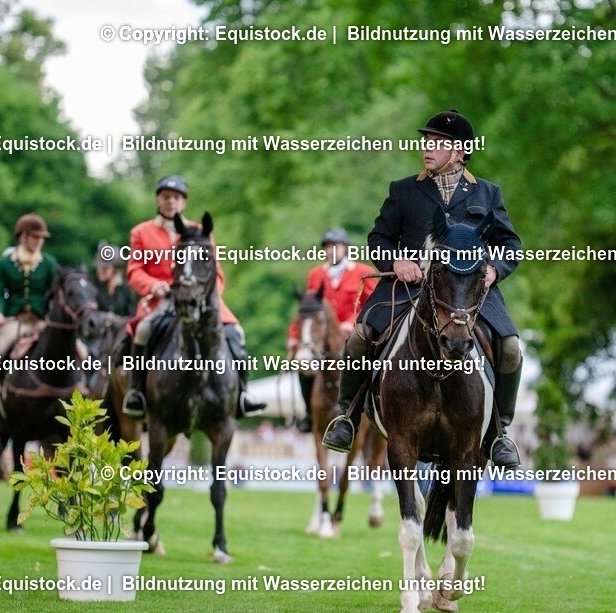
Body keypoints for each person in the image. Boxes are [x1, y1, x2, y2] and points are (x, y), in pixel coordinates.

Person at [321, 109, 524, 469]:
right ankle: (347, 417)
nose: (427, 149)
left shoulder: (488, 194)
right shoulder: (403, 190)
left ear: (461, 151)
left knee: (509, 347)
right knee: (361, 335)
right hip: (408, 289)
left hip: (468, 293)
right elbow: (378, 239)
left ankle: (498, 433)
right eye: (426, 141)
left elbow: (511, 245)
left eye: (438, 143)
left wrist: (494, 269)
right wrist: (396, 262)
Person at [121, 175, 266, 419]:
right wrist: (153, 285)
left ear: (184, 202)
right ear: (158, 200)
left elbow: (217, 274)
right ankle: (137, 392)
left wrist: (207, 297)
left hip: (200, 299)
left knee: (236, 333)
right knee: (144, 330)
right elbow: (134, 270)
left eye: (176, 197)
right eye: (166, 197)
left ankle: (242, 393)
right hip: (163, 299)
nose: (171, 202)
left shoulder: (201, 232)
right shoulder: (141, 232)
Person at [287, 228, 376, 433]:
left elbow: (372, 303)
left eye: (336, 246)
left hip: (355, 333)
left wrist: (352, 323)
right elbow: (306, 310)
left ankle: (373, 407)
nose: (331, 251)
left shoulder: (362, 272)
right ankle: (309, 413)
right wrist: (294, 337)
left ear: (345, 248)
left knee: (372, 362)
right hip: (322, 339)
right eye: (328, 247)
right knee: (304, 364)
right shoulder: (316, 274)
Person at [0, 214, 58, 416]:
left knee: (80, 352)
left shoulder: (49, 263)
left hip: (41, 320)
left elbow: (54, 293)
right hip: (15, 320)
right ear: (23, 237)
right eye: (35, 237)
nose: (40, 241)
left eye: (41, 238)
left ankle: (83, 392)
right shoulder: (4, 264)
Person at [92, 241, 137, 317]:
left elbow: (130, 315)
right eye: (99, 266)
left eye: (105, 268)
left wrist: (117, 288)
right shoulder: (92, 287)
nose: (101, 270)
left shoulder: (125, 289)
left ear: (115, 269)